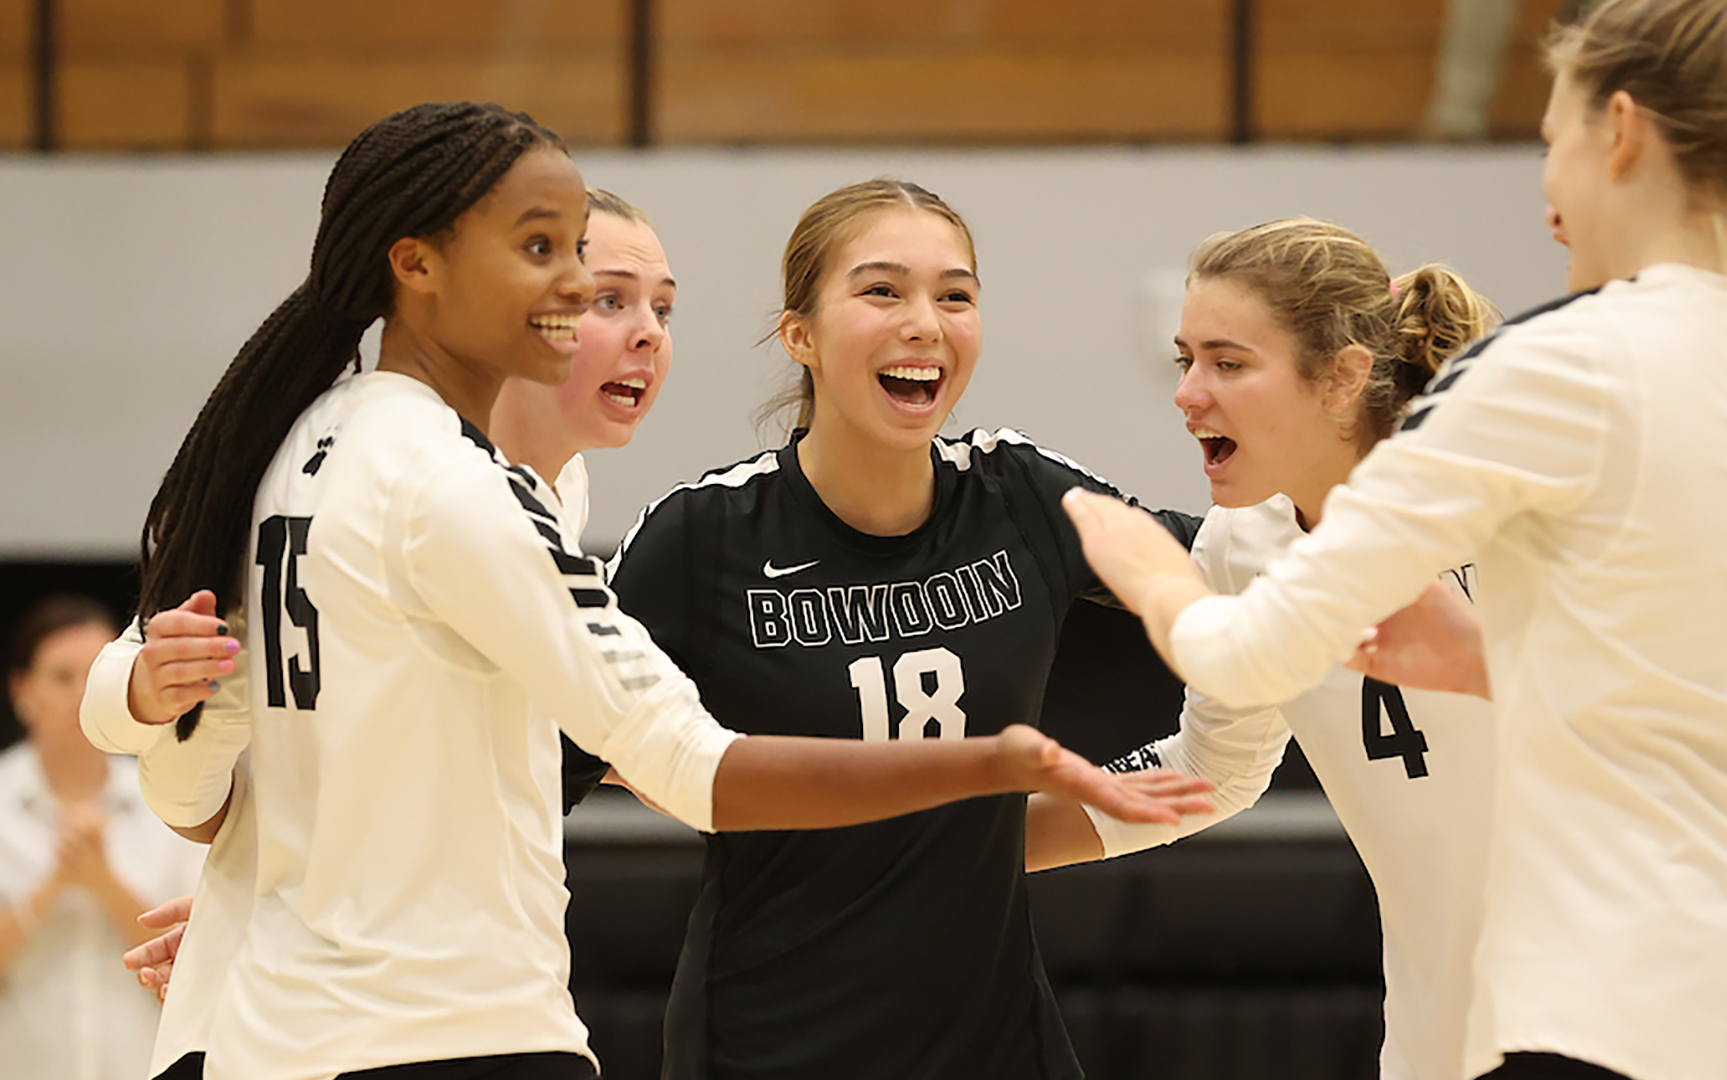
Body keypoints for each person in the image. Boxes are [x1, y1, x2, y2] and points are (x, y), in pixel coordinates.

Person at [84, 103, 1206, 1080]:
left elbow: (265, 763)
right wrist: (995, 765)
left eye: (659, 305)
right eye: (581, 279)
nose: (623, 322)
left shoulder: (387, 455)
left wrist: (262, 882)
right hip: (444, 1030)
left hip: (327, 1017)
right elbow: (681, 766)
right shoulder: (499, 496)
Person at [1058, 1, 1727, 1078]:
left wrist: (1147, 572)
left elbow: (1247, 651)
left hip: (1606, 1013)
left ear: (1622, 131)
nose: (1545, 186)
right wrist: (1492, 661)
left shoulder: (1564, 365)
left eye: (1550, 138)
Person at [576, 178, 1204, 1080]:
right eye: (882, 290)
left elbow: (1227, 563)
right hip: (771, 1043)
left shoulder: (1018, 493)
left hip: (999, 1043)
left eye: (955, 295)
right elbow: (562, 741)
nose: (925, 323)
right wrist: (696, 783)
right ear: (800, 336)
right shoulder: (704, 535)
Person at [88, 183, 686, 1080]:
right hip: (285, 1023)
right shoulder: (359, 464)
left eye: (663, 309)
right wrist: (269, 892)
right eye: (607, 300)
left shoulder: (557, 494)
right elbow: (176, 775)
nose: (648, 334)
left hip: (436, 1003)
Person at [1024, 218, 1504, 1080]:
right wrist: (964, 851)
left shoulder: (1502, 495)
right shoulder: (1241, 543)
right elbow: (1215, 769)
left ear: (1343, 376)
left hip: (1624, 1011)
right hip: (1438, 1039)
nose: (1187, 394)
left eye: (1228, 363)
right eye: (1185, 360)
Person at [0, 595, 203, 1080]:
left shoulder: (168, 800)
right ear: (22, 691)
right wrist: (56, 883)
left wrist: (103, 880)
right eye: (62, 677)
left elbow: (198, 960)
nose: (81, 694)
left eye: (94, 676)